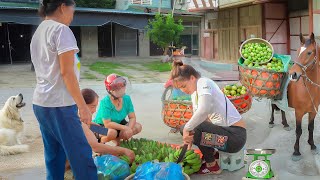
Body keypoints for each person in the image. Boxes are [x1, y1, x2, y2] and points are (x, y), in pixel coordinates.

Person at [30, 1, 97, 179]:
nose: (73, 15)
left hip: (41, 104)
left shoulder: (39, 31)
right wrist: (83, 107)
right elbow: (67, 73)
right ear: (62, 6)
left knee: (55, 157)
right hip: (60, 105)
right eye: (72, 9)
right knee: (82, 157)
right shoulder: (61, 30)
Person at [170, 60, 247, 175]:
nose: (183, 90)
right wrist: (188, 142)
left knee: (190, 127)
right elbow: (201, 120)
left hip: (235, 138)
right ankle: (213, 155)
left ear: (192, 78)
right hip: (223, 139)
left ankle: (212, 166)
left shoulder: (204, 83)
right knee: (187, 127)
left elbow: (203, 110)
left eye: (184, 86)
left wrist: (187, 129)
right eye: (180, 88)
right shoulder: (194, 94)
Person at [80, 88, 135, 161]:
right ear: (82, 105)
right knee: (106, 136)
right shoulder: (78, 122)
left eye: (96, 106)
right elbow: (95, 147)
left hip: (91, 126)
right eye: (92, 107)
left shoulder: (83, 118)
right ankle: (103, 142)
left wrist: (93, 124)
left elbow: (88, 123)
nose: (95, 110)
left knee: (110, 132)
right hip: (90, 135)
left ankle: (112, 142)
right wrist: (122, 150)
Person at [93, 74, 142, 145]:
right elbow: (107, 124)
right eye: (118, 88)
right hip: (99, 126)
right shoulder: (105, 102)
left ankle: (117, 141)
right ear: (111, 90)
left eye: (123, 86)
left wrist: (129, 129)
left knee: (137, 127)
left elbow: (132, 117)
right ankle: (101, 142)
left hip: (117, 124)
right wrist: (125, 128)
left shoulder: (127, 98)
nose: (122, 89)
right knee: (112, 133)